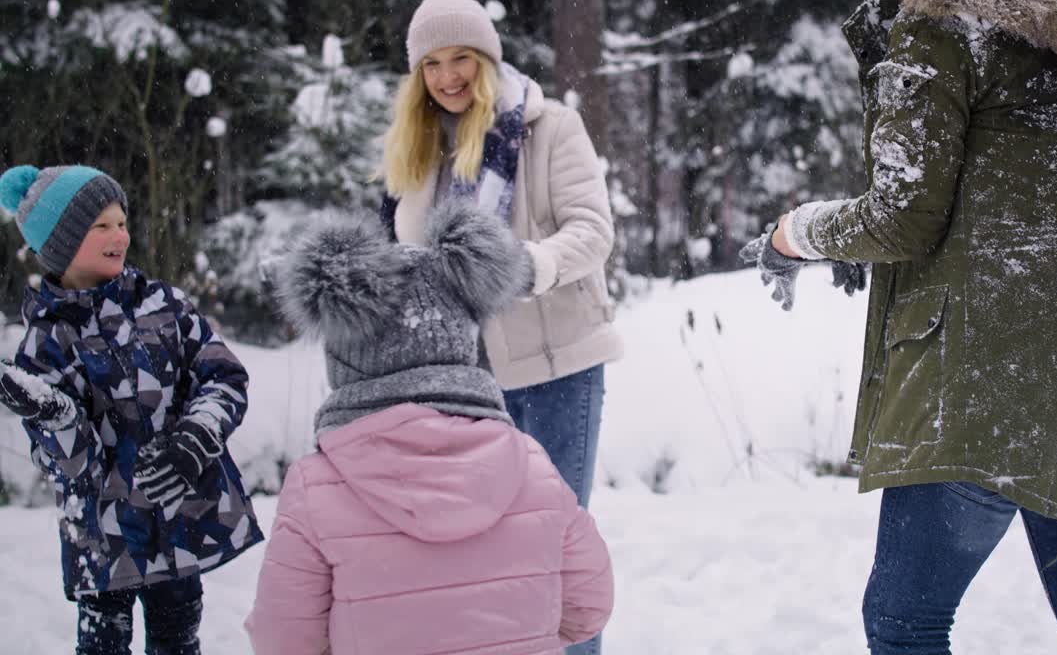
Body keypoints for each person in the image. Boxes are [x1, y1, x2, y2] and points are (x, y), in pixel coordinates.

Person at [741, 0, 1057, 652]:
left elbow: (902, 214)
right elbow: (1013, 201)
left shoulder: (942, 12)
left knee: (904, 623)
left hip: (980, 388)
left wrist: (796, 233)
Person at [244, 201, 614, 655]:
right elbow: (589, 605)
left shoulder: (316, 488)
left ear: (345, 360)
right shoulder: (530, 466)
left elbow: (281, 640)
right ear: (462, 342)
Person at [377, 0, 622, 655]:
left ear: (486, 59)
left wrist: (525, 266)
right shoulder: (417, 146)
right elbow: (412, 257)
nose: (447, 76)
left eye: (461, 59)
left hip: (556, 366)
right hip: (463, 382)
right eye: (431, 64)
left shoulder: (549, 129)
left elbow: (593, 232)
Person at [0, 164, 262, 654]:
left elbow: (223, 375)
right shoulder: (46, 340)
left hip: (179, 515)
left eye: (121, 221)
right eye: (100, 225)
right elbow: (72, 465)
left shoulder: (165, 305)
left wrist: (196, 438)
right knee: (103, 645)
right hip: (105, 537)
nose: (118, 234)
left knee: (178, 641)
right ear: (59, 241)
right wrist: (54, 416)